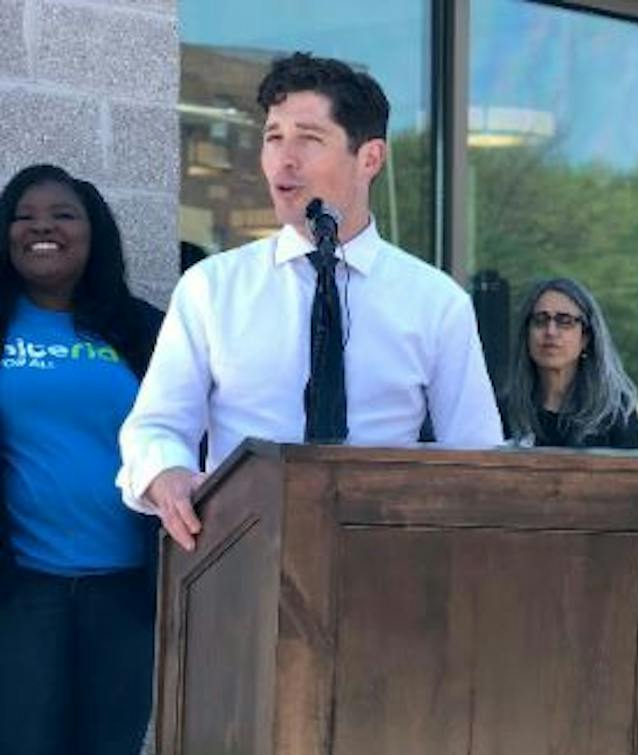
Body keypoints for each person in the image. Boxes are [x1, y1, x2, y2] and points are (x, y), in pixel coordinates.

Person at [118, 52, 502, 551]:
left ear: (369, 158)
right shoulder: (211, 287)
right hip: (238, 561)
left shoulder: (435, 301)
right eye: (273, 137)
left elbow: (477, 455)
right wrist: (166, 475)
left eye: (308, 138)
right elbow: (157, 425)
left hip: (387, 562)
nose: (284, 158)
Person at [0, 163, 165, 755]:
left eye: (63, 214)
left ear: (92, 231)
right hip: (20, 591)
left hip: (122, 592)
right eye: (24, 216)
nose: (42, 228)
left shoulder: (141, 330)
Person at [501, 277, 638, 449]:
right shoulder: (503, 411)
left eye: (564, 321)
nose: (551, 331)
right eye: (540, 320)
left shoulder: (616, 415)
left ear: (585, 337)